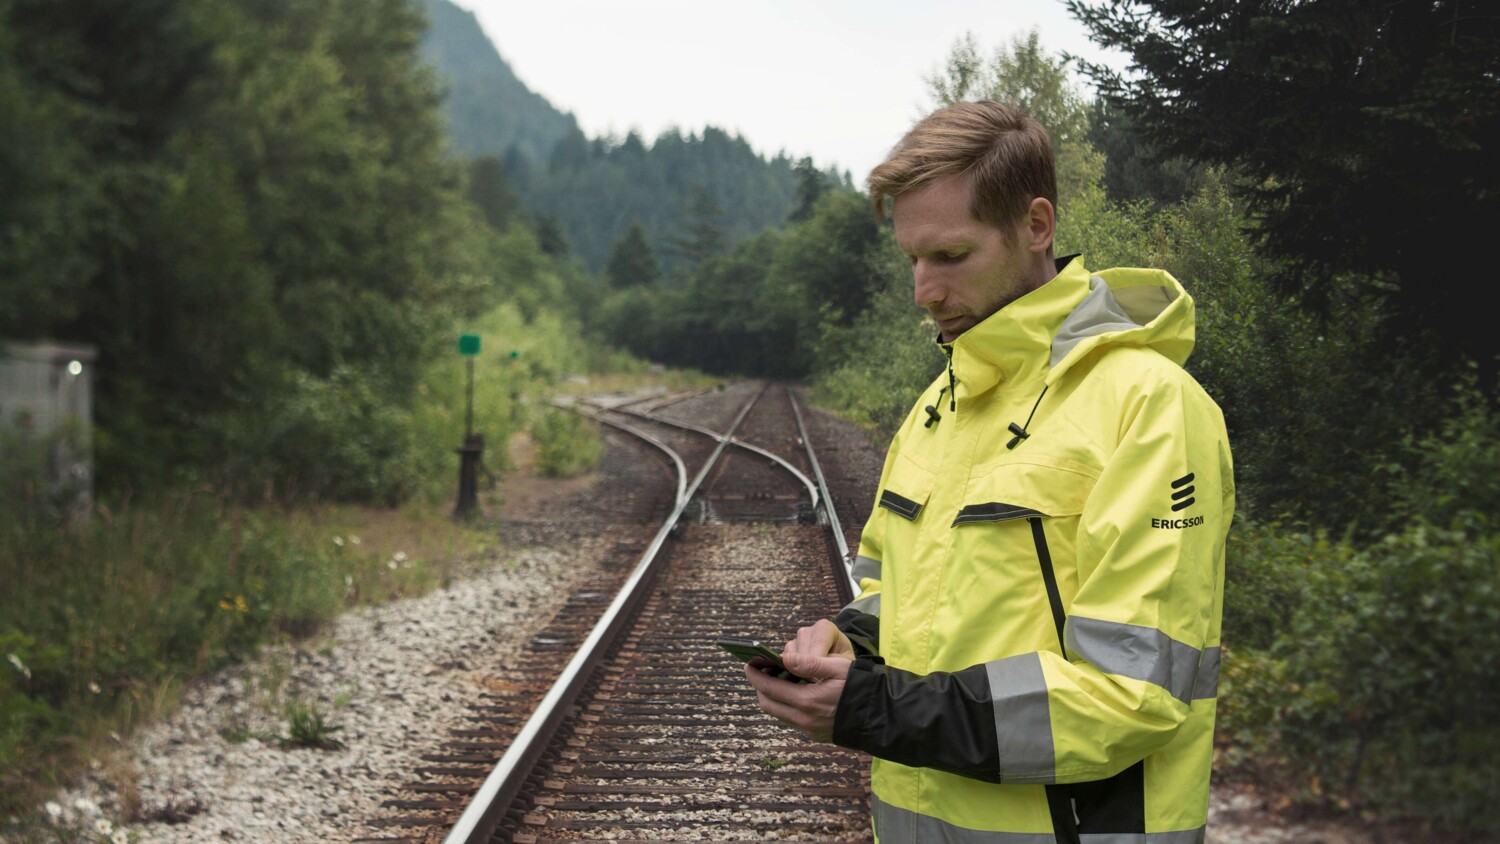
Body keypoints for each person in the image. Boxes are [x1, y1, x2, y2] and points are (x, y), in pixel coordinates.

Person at [743, 100, 1235, 843]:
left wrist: (878, 709)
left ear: (1036, 226)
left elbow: (1132, 693)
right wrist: (848, 642)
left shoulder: (1150, 406)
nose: (923, 291)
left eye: (949, 257)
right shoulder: (941, 405)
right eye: (912, 258)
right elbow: (906, 603)